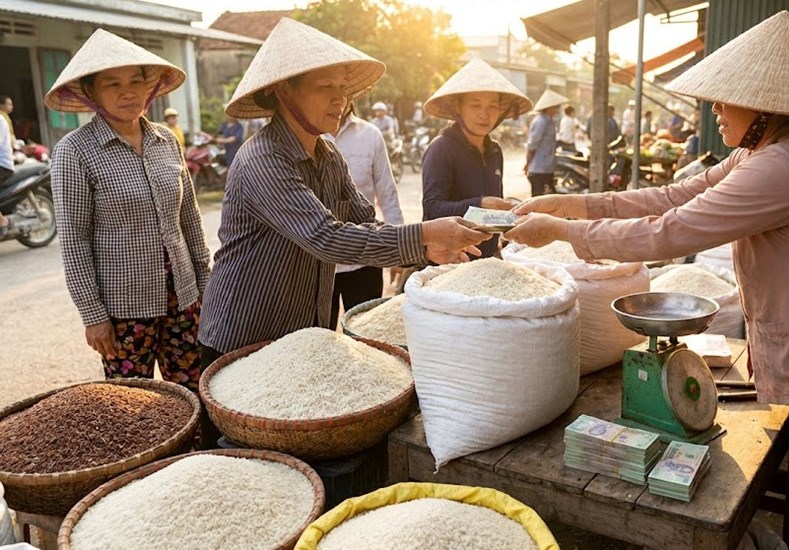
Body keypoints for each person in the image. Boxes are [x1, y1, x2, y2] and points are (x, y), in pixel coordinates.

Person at [506, 11, 789, 550]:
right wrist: (574, 204)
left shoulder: (786, 166)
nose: (714, 109)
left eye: (726, 98)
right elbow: (671, 197)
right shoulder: (761, 154)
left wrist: (564, 231)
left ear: (766, 107)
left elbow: (671, 230)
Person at [198, 18, 488, 363]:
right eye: (325, 88)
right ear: (284, 91)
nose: (341, 99)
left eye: (343, 87)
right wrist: (425, 232)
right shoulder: (263, 159)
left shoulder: (328, 154)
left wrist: (427, 249)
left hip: (301, 329)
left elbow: (366, 220)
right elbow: (325, 238)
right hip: (245, 331)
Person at [45, 29, 211, 391]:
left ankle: (198, 450)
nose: (128, 91)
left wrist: (204, 283)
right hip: (123, 309)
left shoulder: (166, 139)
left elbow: (190, 221)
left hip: (183, 297)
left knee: (194, 390)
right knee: (133, 404)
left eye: (136, 80)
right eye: (113, 83)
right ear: (91, 92)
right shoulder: (75, 151)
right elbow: (75, 241)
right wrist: (93, 315)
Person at [420, 57, 532, 259]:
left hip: (488, 257)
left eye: (492, 107)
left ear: (500, 111)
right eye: (475, 105)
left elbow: (496, 209)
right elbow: (432, 208)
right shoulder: (441, 149)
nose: (484, 114)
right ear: (458, 109)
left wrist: (502, 233)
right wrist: (480, 203)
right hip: (450, 258)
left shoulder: (495, 150)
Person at [322, 101, 405, 317]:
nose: (338, 96)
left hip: (366, 257)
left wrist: (400, 251)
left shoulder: (370, 135)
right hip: (316, 265)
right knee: (316, 339)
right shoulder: (305, 138)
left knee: (366, 339)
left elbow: (387, 193)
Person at [525, 89, 566, 197]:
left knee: (548, 198)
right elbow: (532, 145)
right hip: (539, 168)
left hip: (547, 167)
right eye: (556, 107)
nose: (557, 110)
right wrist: (527, 163)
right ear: (549, 107)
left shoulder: (550, 121)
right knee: (538, 200)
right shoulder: (541, 121)